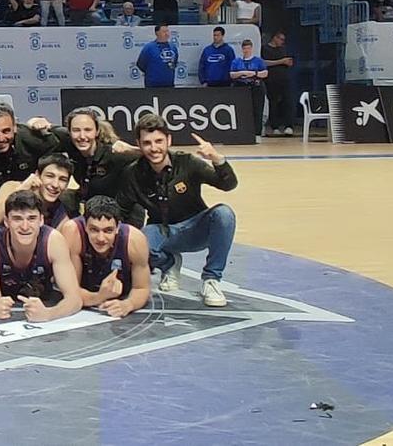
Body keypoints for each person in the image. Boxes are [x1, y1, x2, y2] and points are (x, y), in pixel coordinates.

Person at [117, 114, 238, 306]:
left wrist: (217, 159)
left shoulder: (187, 162)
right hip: (162, 231)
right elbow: (121, 211)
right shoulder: (132, 173)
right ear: (138, 144)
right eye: (147, 143)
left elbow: (229, 185)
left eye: (159, 141)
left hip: (196, 227)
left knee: (224, 214)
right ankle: (169, 263)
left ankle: (211, 279)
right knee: (140, 241)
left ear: (169, 140)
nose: (154, 148)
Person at [0, 189, 82, 322]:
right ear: (6, 221)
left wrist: (49, 314)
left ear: (41, 220)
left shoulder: (53, 241)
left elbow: (75, 299)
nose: (25, 227)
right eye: (17, 219)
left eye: (31, 218)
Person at [57, 196, 150, 317]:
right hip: (88, 290)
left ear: (118, 227)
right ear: (85, 226)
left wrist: (128, 305)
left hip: (122, 293)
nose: (101, 238)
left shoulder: (134, 240)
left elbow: (141, 288)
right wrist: (100, 296)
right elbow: (71, 292)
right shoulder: (73, 232)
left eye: (108, 231)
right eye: (94, 230)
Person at [0, 154, 76, 230]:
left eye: (62, 179)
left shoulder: (61, 216)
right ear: (37, 175)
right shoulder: (12, 187)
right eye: (50, 176)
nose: (55, 184)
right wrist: (20, 191)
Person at [230, 39, 268, 139]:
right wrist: (242, 73)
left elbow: (265, 73)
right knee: (242, 110)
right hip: (241, 88)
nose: (246, 50)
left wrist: (254, 73)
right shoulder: (237, 61)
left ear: (251, 48)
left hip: (256, 87)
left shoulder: (258, 61)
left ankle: (257, 133)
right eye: (244, 48)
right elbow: (232, 74)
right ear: (242, 49)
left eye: (248, 48)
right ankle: (243, 132)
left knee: (257, 110)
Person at [261, 31, 295, 136]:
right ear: (275, 38)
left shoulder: (284, 49)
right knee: (273, 103)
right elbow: (264, 62)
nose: (282, 42)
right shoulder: (265, 49)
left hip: (284, 79)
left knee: (288, 102)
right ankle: (274, 126)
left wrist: (287, 62)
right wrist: (280, 61)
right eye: (281, 39)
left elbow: (289, 61)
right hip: (271, 79)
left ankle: (289, 126)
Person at [136, 24, 179, 88]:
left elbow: (175, 62)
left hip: (169, 83)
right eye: (164, 32)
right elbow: (140, 63)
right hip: (153, 84)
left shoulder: (173, 47)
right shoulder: (149, 47)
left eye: (167, 31)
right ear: (157, 33)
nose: (167, 34)